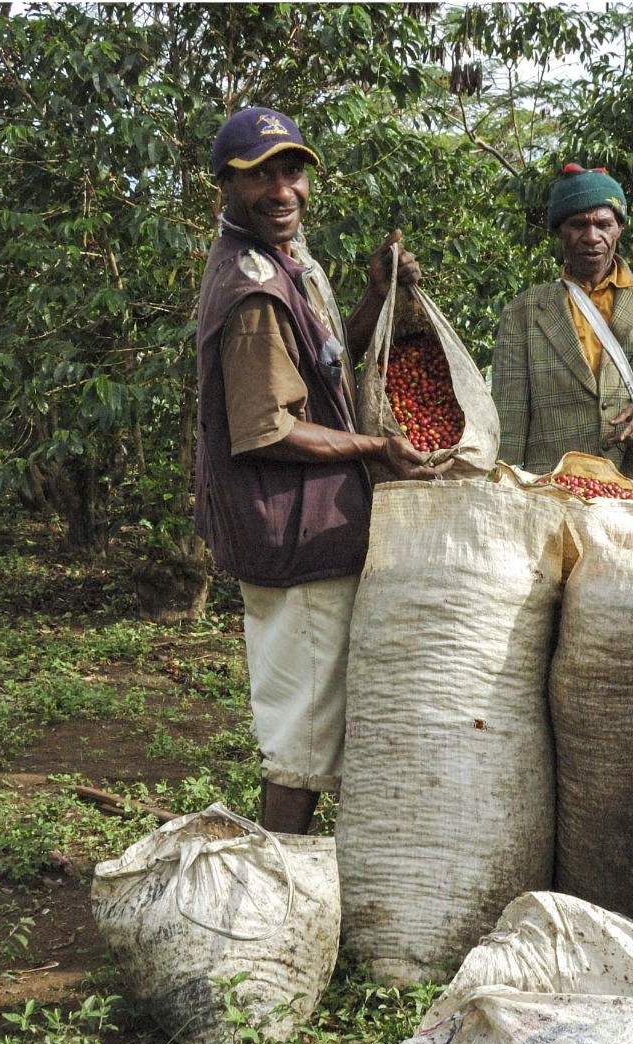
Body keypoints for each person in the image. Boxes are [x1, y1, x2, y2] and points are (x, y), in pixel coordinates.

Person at [194, 106, 444, 835]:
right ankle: (280, 890)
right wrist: (377, 449)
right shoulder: (255, 292)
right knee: (301, 735)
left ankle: (299, 873)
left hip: (313, 529)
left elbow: (329, 366)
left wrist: (374, 293)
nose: (282, 190)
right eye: (259, 175)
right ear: (225, 186)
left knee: (316, 714)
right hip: (291, 536)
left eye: (292, 171)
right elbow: (267, 427)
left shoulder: (290, 265)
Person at [492, 164, 633, 484]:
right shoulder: (523, 313)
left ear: (619, 228)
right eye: (578, 225)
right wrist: (504, 487)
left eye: (603, 224)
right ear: (560, 230)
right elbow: (509, 418)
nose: (592, 237)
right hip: (551, 488)